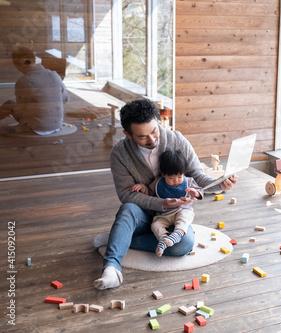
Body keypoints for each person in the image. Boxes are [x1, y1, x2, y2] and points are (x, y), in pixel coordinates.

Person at [93, 99, 238, 290]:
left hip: (173, 216)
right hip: (143, 215)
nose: (152, 140)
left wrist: (220, 184)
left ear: (158, 121)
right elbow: (127, 196)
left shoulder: (177, 140)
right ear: (127, 134)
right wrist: (162, 203)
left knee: (182, 245)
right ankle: (111, 268)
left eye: (154, 131)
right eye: (143, 137)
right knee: (127, 209)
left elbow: (196, 175)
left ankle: (117, 238)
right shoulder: (120, 154)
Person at [130, 149, 203, 257]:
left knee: (184, 218)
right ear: (163, 174)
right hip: (163, 214)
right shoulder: (158, 183)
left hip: (181, 210)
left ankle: (177, 234)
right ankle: (163, 239)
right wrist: (143, 188)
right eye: (172, 178)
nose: (176, 181)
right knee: (155, 225)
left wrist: (195, 193)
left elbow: (201, 191)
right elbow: (150, 193)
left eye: (179, 177)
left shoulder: (188, 181)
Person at [0, 46, 70, 135]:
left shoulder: (22, 81)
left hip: (36, 128)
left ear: (17, 65)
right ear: (34, 60)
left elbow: (22, 108)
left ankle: (27, 127)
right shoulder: (54, 75)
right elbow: (66, 99)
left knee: (9, 104)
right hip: (56, 126)